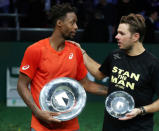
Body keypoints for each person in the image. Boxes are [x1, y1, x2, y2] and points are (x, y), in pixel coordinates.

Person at [17, 3, 107, 131]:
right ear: (59, 23)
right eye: (72, 23)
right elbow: (21, 85)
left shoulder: (75, 51)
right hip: (41, 126)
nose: (76, 27)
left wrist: (113, 91)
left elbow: (86, 84)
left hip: (70, 126)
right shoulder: (35, 50)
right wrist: (37, 112)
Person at [76, 13, 159, 131]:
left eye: (121, 33)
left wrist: (140, 110)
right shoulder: (115, 55)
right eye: (117, 32)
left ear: (135, 37)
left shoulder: (153, 64)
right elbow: (99, 74)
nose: (116, 36)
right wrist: (82, 52)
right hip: (110, 126)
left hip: (138, 127)